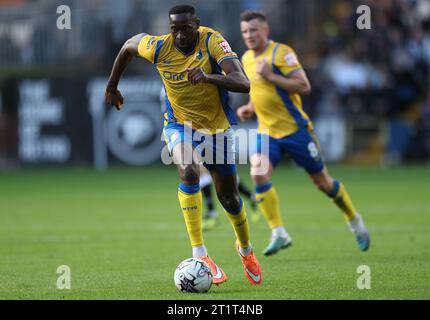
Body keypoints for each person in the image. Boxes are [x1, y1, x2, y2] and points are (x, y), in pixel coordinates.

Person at [105, 5, 262, 285]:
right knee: (189, 172)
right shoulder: (158, 47)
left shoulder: (212, 40)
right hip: (179, 125)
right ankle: (200, 254)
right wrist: (112, 86)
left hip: (216, 128)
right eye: (174, 29)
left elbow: (243, 82)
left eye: (185, 29)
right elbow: (128, 47)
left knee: (231, 199)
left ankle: (246, 249)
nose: (179, 35)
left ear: (196, 25)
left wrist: (208, 77)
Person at [237, 11, 370, 256]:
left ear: (265, 30)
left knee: (323, 183)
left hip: (296, 131)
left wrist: (271, 76)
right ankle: (278, 232)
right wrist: (250, 107)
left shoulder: (281, 53)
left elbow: (304, 86)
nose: (249, 35)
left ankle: (354, 220)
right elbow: (258, 89)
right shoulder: (246, 58)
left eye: (253, 30)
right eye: (245, 31)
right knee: (258, 173)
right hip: (267, 132)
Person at [159, 87, 259, 231]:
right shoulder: (166, 86)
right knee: (200, 171)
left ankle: (247, 200)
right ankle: (214, 212)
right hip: (187, 133)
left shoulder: (200, 77)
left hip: (210, 130)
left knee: (224, 179)